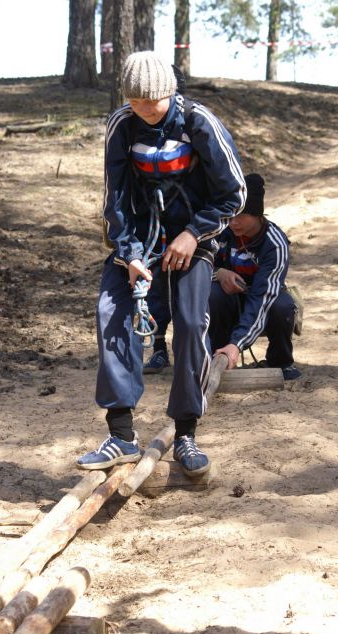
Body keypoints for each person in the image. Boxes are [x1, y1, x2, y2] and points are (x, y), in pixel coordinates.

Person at [76, 51, 246, 476]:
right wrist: (130, 253)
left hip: (194, 237)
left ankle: (186, 433)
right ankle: (121, 435)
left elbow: (234, 194)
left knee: (190, 323)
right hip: (139, 239)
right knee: (112, 314)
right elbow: (114, 200)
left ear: (169, 91)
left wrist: (193, 234)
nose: (144, 109)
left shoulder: (199, 122)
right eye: (135, 101)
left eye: (152, 101)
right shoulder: (121, 124)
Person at [209, 173, 301, 380]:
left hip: (263, 300)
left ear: (258, 214)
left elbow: (263, 297)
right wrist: (218, 273)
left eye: (242, 215)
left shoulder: (275, 244)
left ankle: (281, 361)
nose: (234, 222)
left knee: (282, 306)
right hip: (229, 300)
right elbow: (196, 268)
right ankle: (216, 355)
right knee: (213, 295)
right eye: (231, 214)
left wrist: (237, 344)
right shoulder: (220, 231)